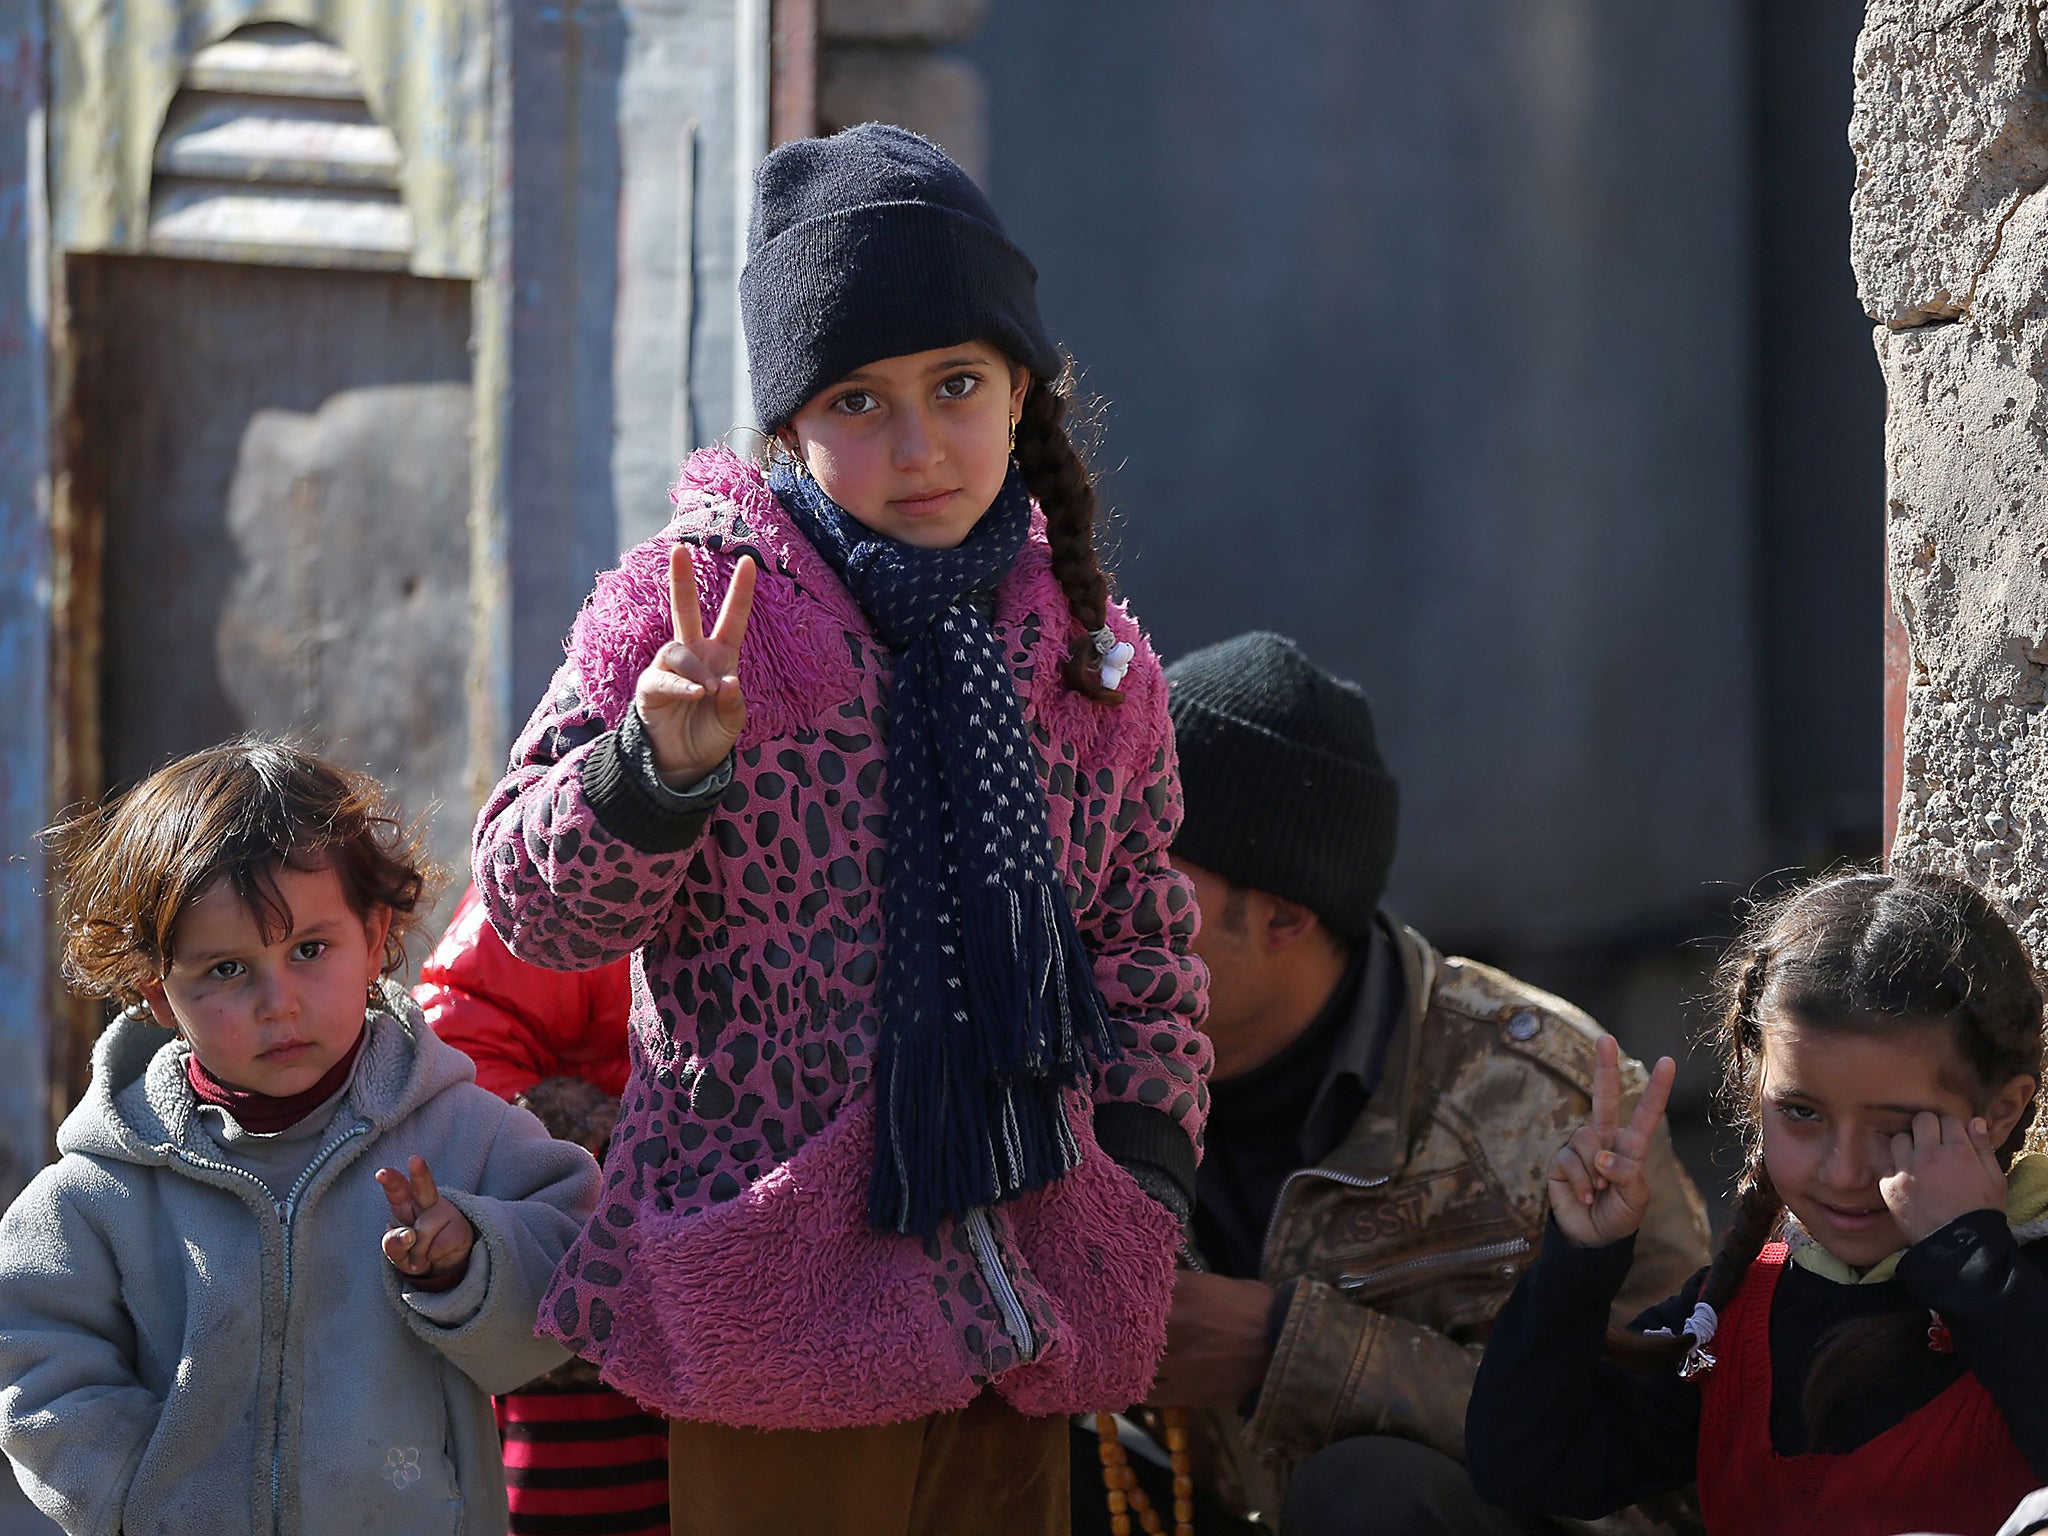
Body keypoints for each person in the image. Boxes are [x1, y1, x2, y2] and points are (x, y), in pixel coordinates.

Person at [472, 123, 1210, 1536]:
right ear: (791, 426)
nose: (921, 444)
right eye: (859, 402)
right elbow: (530, 906)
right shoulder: (694, 623)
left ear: (1020, 395)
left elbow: (1146, 944)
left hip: (1032, 1296)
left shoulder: (1091, 660)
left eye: (956, 386)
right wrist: (658, 766)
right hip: (779, 1317)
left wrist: (1144, 1182)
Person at [1087, 631, 1712, 1536]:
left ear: (1284, 920)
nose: (1098, 902)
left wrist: (1287, 1352)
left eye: (1144, 876)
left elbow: (1661, 1461)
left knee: (1374, 1495)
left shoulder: (1547, 1096)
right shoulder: (1071, 1067)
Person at [0, 738, 599, 1536]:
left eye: (310, 951)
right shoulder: (102, 1189)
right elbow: (33, 1356)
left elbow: (573, 1277)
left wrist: (472, 1261)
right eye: (225, 970)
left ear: (375, 936)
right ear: (157, 994)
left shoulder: (462, 1132)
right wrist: (135, 1500)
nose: (277, 1002)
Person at [1466, 868, 2048, 1536]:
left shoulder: (2024, 1290)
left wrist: (1971, 1263)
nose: (1845, 1170)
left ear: (2000, 1112)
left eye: (1895, 1126)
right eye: (1801, 1112)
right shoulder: (1740, 1309)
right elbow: (1526, 1467)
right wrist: (1578, 1262)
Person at [416, 889, 668, 1536]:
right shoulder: (573, 873)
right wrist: (613, 1160)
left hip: (686, 1286)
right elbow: (462, 1048)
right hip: (579, 1282)